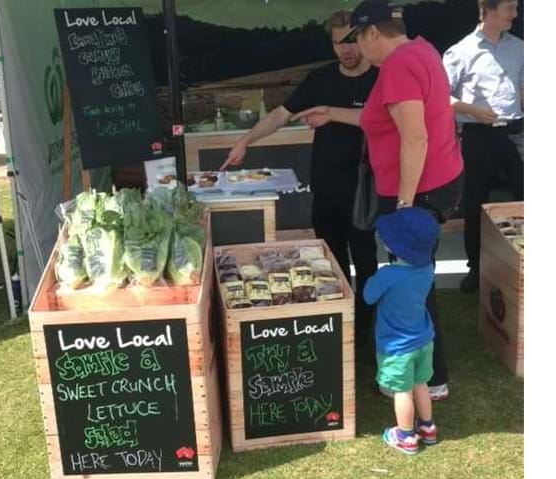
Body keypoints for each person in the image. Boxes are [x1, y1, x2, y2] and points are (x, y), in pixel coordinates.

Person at [291, 0, 464, 401]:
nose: (355, 49)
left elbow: (414, 136)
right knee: (417, 279)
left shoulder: (399, 65)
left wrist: (403, 205)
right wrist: (332, 112)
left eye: (356, 38)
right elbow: (381, 119)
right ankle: (422, 370)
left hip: (418, 191)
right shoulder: (422, 49)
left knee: (412, 281)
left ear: (372, 33)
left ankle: (429, 378)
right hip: (438, 182)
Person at [220, 10, 379, 348]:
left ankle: (367, 329)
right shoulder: (319, 79)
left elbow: (383, 120)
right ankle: (338, 321)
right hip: (325, 185)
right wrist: (246, 141)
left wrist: (333, 115)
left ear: (365, 37)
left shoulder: (381, 78)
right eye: (338, 43)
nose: (346, 49)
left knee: (366, 259)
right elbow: (281, 114)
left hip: (365, 188)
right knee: (330, 260)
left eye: (351, 40)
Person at [443, 0, 524, 293]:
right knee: (476, 204)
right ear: (489, 11)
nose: (515, 15)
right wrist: (472, 110)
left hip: (517, 133)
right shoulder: (461, 51)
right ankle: (476, 269)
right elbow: (440, 96)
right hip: (478, 135)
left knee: (526, 201)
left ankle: (524, 265)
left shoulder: (521, 47)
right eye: (510, 9)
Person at [363, 207, 440, 456]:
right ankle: (428, 427)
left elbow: (367, 296)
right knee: (421, 383)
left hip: (397, 346)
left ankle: (406, 435)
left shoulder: (388, 275)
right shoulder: (427, 269)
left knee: (402, 391)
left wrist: (375, 278)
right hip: (423, 338)